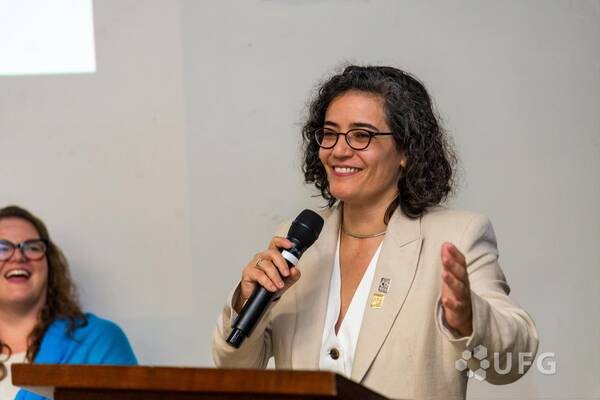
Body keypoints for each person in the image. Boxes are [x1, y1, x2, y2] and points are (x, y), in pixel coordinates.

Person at [212, 66, 539, 400]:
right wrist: (245, 301)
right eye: (330, 133)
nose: (339, 150)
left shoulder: (456, 236)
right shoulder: (297, 242)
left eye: (361, 135)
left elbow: (512, 362)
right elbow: (235, 370)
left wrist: (470, 319)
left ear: (406, 150)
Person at [0, 205, 137, 400]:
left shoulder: (99, 341)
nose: (18, 257)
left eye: (32, 247)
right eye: (2, 248)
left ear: (50, 264)